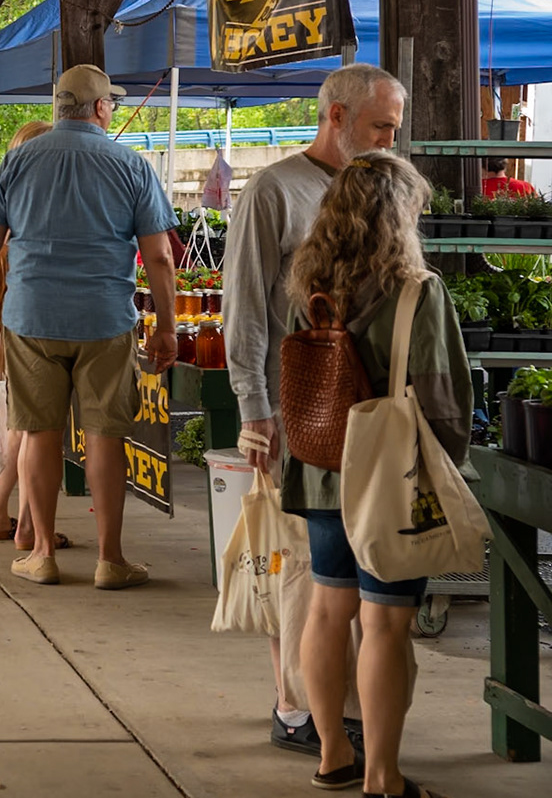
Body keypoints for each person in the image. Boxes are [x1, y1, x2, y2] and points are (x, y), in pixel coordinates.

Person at [224, 61, 405, 755]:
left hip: (365, 413)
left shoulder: (379, 188)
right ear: (336, 117)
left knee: (342, 560)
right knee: (296, 559)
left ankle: (336, 704)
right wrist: (254, 407)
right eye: (380, 125)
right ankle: (294, 705)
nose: (391, 137)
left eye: (395, 125)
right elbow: (243, 304)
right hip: (293, 405)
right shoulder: (275, 190)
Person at [282, 152, 470, 798]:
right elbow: (445, 399)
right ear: (401, 217)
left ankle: (333, 750)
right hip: (390, 480)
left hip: (320, 466)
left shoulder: (309, 284)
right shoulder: (420, 292)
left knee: (328, 609)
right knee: (386, 622)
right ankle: (382, 775)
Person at [0, 65, 177, 589]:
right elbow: (159, 257)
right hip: (105, 319)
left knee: (39, 432)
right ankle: (110, 559)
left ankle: (42, 553)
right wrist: (167, 325)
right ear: (101, 108)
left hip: (31, 316)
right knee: (106, 435)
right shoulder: (131, 165)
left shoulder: (17, 160)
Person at [0, 121, 55, 548]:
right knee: (35, 430)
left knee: (18, 426)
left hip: (8, 322)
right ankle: (25, 525)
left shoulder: (4, 192)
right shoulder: (50, 194)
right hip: (33, 323)